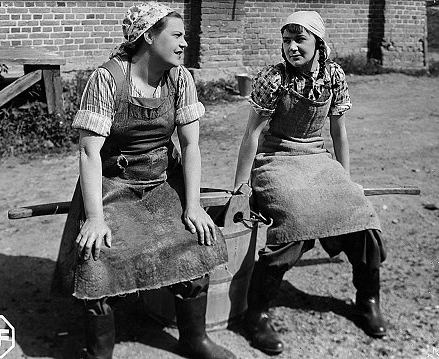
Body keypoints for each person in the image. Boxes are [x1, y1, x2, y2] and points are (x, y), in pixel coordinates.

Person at [51, 3, 236, 359]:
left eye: (184, 37)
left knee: (198, 240)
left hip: (162, 181)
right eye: (177, 35)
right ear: (148, 36)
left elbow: (191, 145)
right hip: (112, 184)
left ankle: (194, 339)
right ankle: (99, 350)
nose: (185, 44)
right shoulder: (107, 79)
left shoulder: (181, 78)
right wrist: (94, 218)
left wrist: (194, 205)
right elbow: (89, 154)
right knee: (96, 254)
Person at [233, 10, 388, 355]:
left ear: (318, 42)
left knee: (361, 215)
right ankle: (256, 313)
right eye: (286, 40)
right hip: (276, 161)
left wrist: (346, 182)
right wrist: (241, 187)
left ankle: (368, 300)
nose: (291, 47)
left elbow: (338, 131)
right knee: (294, 219)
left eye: (299, 39)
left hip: (317, 159)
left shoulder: (334, 75)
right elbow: (252, 135)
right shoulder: (273, 77)